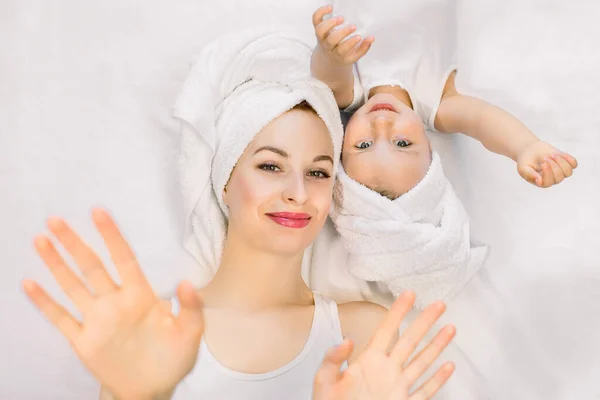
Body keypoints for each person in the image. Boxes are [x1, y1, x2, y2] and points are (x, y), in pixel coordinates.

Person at [22, 30, 457, 399]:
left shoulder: (363, 334)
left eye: (319, 172)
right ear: (225, 180)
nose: (298, 192)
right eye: (271, 166)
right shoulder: (153, 335)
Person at [307, 4, 578, 308]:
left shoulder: (351, 92)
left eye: (364, 146)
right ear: (430, 148)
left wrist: (330, 55)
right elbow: (482, 121)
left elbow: (328, 80)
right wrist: (526, 147)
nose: (381, 125)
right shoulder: (434, 103)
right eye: (402, 143)